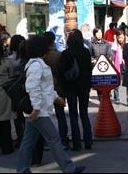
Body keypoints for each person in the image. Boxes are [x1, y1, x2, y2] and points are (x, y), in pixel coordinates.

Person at [16, 36, 86, 173]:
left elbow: (43, 87)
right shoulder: (36, 66)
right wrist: (36, 108)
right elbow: (33, 88)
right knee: (53, 139)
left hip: (38, 110)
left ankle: (22, 169)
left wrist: (55, 97)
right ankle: (68, 169)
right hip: (39, 111)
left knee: (28, 142)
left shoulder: (36, 64)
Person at [59, 29, 93, 151]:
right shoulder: (86, 52)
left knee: (73, 115)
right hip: (84, 86)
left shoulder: (66, 54)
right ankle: (88, 140)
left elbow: (61, 71)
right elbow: (89, 70)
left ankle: (77, 143)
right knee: (84, 113)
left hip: (71, 86)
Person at [42, 31, 69, 150]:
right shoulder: (59, 55)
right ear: (53, 41)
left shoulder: (42, 57)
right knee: (60, 115)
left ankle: (47, 141)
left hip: (45, 88)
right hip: (59, 87)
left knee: (45, 115)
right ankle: (64, 140)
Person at [111, 29, 127, 104]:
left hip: (125, 65)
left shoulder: (126, 44)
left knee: (127, 83)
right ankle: (116, 98)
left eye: (121, 37)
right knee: (116, 82)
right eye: (118, 37)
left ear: (124, 37)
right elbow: (113, 49)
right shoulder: (115, 44)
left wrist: (126, 40)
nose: (120, 39)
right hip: (117, 65)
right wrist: (114, 40)